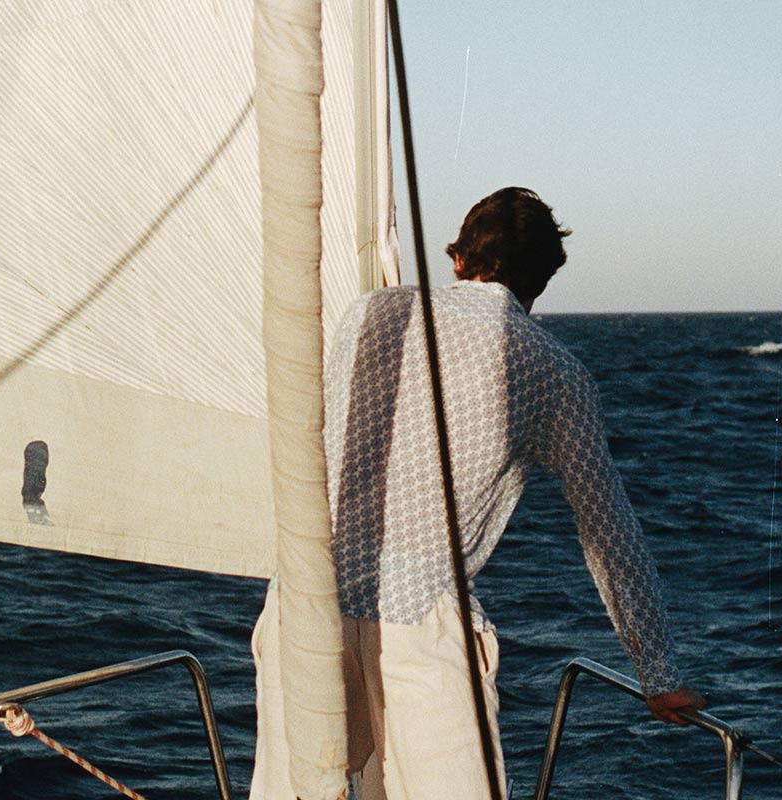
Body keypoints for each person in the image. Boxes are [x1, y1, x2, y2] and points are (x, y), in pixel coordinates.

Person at [250, 187, 706, 799]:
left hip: (304, 605)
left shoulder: (367, 313)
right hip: (421, 628)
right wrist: (658, 672)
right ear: (541, 280)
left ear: (459, 258)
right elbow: (609, 534)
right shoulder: (554, 371)